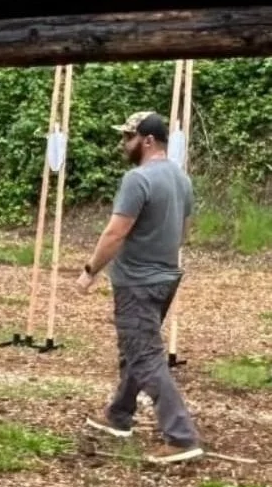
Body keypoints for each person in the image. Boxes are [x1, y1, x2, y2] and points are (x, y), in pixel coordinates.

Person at [79, 110, 202, 465]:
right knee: (136, 347)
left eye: (128, 137)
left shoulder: (138, 179)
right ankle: (119, 415)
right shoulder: (181, 179)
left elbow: (116, 232)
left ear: (147, 140)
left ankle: (181, 436)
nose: (123, 144)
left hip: (137, 281)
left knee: (145, 354)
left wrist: (90, 271)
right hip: (166, 277)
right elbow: (183, 231)